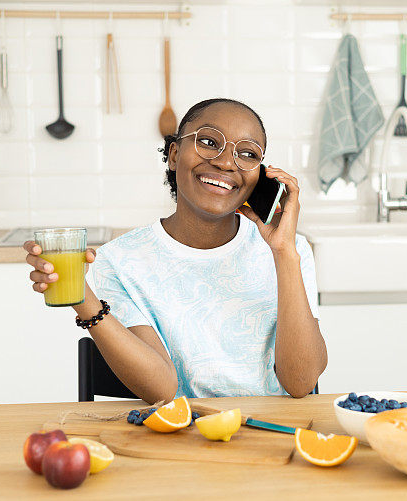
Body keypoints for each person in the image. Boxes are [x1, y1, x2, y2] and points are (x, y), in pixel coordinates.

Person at [23, 98, 327, 402]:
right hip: (180, 437)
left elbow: (300, 382)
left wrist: (284, 252)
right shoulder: (120, 261)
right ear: (174, 153)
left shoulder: (289, 250)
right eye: (209, 142)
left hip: (273, 436)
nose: (225, 162)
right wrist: (81, 297)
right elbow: (162, 390)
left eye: (247, 154)